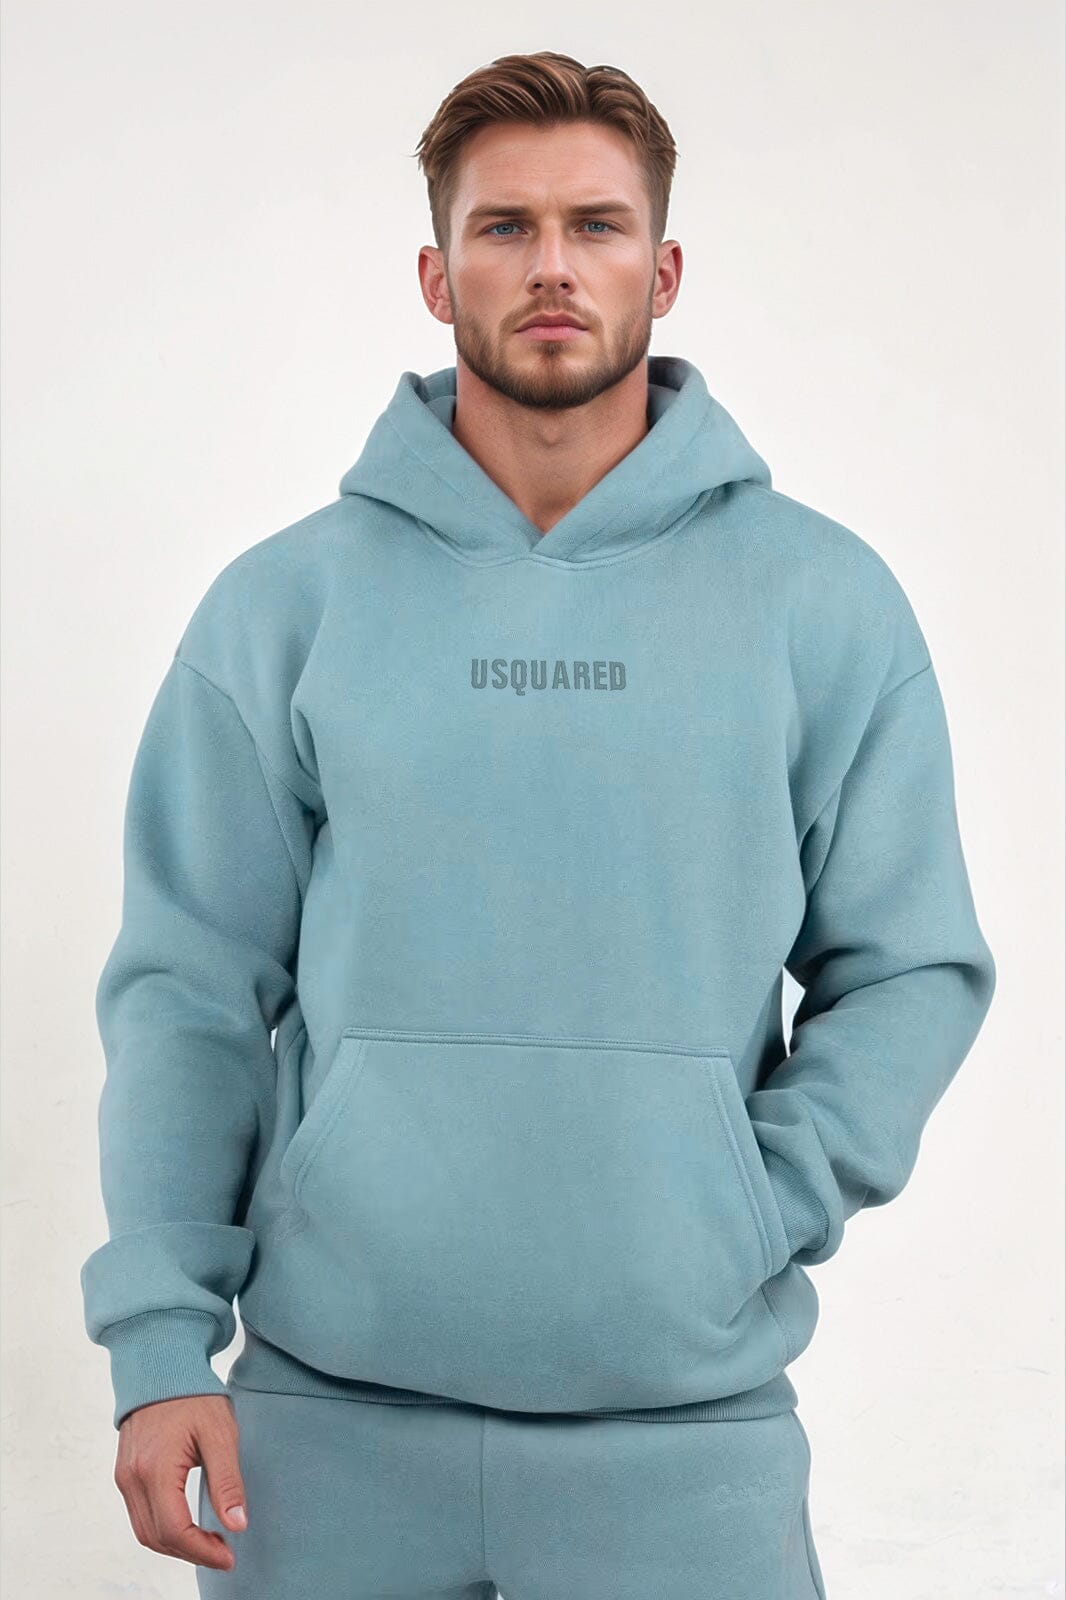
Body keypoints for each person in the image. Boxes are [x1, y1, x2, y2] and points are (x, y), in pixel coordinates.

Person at [79, 49, 996, 1599]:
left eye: (595, 224)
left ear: (664, 270)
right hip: (319, 1436)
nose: (552, 266)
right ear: (437, 277)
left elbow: (908, 968)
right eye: (504, 228)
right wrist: (160, 1339)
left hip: (687, 1443)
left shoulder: (818, 602)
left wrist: (743, 1201)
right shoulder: (285, 606)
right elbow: (189, 992)